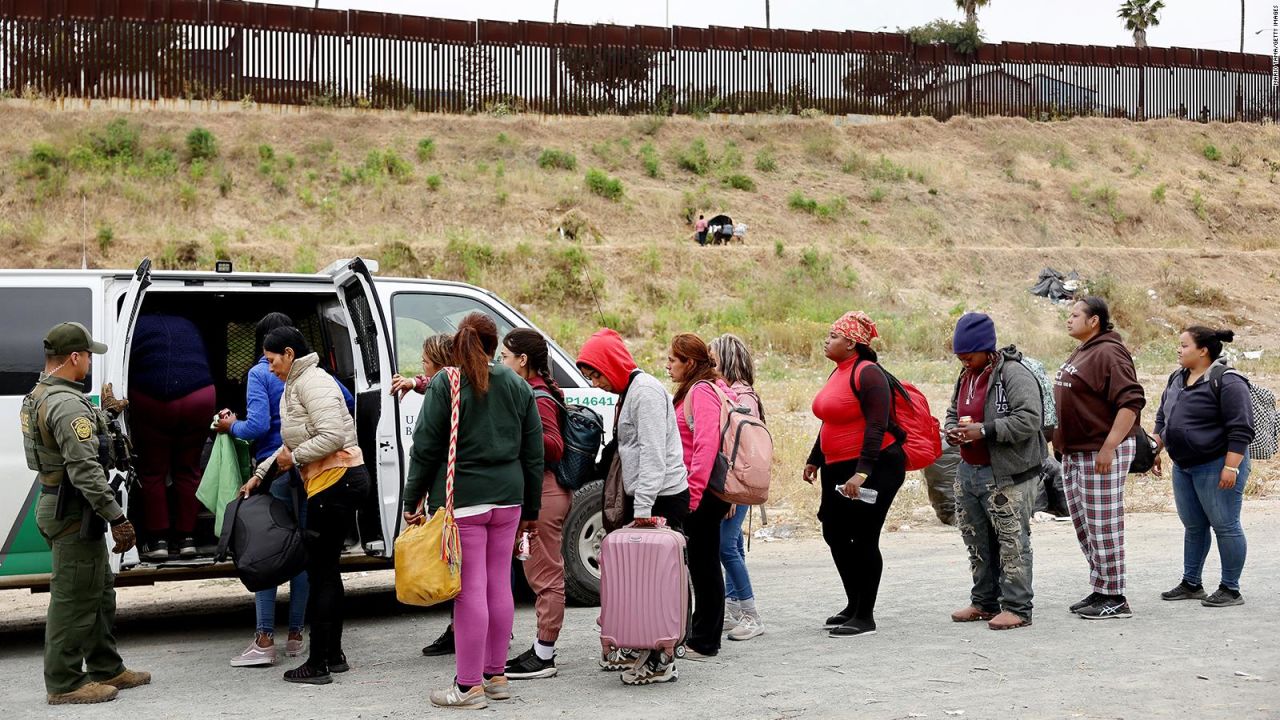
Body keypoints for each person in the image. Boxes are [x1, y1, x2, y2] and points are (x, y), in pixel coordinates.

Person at [402, 313, 544, 710]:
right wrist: (531, 508)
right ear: (493, 343)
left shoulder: (445, 384)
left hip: (462, 502)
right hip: (509, 500)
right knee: (500, 585)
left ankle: (467, 687)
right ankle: (495, 676)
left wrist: (412, 499)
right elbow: (533, 454)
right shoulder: (517, 385)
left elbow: (426, 449)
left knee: (469, 591)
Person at [24, 322, 149, 705]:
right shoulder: (64, 404)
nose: (91, 362)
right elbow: (84, 469)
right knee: (73, 598)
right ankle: (64, 683)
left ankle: (106, 667)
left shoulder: (46, 393)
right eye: (88, 355)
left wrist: (106, 416)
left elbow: (78, 444)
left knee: (97, 593)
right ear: (75, 357)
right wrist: (117, 516)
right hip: (73, 509)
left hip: (72, 506)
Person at [240, 327, 369, 685]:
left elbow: (333, 437)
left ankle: (318, 664)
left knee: (320, 574)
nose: (269, 369)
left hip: (336, 482)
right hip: (332, 481)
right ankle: (333, 655)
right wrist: (261, 474)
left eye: (271, 360)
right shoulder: (297, 384)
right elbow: (290, 446)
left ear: (289, 354)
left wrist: (293, 458)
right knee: (327, 572)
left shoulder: (314, 383)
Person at [576, 328, 689, 686]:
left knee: (659, 583)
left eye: (596, 373)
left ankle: (662, 657)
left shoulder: (647, 394)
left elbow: (654, 455)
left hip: (661, 497)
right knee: (643, 580)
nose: (596, 383)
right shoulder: (630, 392)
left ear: (613, 364)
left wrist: (642, 510)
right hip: (647, 496)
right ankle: (641, 644)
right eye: (590, 377)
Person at [213, 313, 317, 667]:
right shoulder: (312, 375)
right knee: (300, 549)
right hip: (308, 470)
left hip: (274, 473)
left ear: (264, 346)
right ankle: (296, 636)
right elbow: (346, 401)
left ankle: (264, 638)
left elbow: (256, 426)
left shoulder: (260, 374)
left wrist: (230, 425)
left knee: (267, 551)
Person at [802, 312, 906, 639]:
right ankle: (852, 604)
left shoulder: (869, 373)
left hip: (875, 468)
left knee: (863, 536)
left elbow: (876, 425)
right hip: (837, 467)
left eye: (833, 335)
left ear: (851, 343)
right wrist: (814, 459)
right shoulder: (839, 372)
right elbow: (830, 420)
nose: (827, 339)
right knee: (834, 532)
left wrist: (863, 473)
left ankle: (865, 616)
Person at [943, 313, 1044, 631]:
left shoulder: (1014, 374)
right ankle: (984, 602)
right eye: (959, 356)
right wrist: (951, 430)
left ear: (986, 349)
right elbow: (952, 411)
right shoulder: (966, 375)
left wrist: (984, 431)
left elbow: (1030, 419)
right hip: (970, 470)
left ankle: (1017, 607)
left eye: (968, 355)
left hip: (1007, 474)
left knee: (1012, 540)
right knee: (977, 540)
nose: (963, 360)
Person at [1053, 296, 1146, 620]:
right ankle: (1101, 588)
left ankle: (1115, 597)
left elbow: (1131, 402)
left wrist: (1109, 447)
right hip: (1077, 452)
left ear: (1094, 320)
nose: (1069, 319)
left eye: (1075, 314)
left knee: (1103, 526)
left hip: (1101, 451)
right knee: (1085, 526)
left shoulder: (1109, 352)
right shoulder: (1085, 349)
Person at [1153, 327, 1254, 607]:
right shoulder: (1177, 378)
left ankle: (1230, 589)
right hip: (1184, 466)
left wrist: (1231, 467)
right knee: (1194, 526)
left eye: (1184, 345)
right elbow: (1163, 417)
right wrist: (1155, 449)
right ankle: (1191, 583)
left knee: (1225, 525)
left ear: (1203, 351)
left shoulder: (1228, 381)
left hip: (1217, 464)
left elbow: (1242, 428)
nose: (1178, 350)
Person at [500, 329, 568, 680]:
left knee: (545, 576)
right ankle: (541, 649)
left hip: (545, 496)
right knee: (537, 573)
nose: (501, 363)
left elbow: (553, 446)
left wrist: (515, 434)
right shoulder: (535, 390)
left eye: (505, 357)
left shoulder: (538, 396)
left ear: (522, 360)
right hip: (540, 494)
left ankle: (545, 655)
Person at [387, 333, 460, 658]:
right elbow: (430, 381)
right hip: (467, 490)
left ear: (440, 364)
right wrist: (414, 382)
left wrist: (410, 501)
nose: (423, 367)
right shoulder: (462, 381)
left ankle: (461, 629)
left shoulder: (441, 390)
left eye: (426, 362)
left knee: (456, 563)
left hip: (447, 493)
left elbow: (425, 449)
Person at [127, 313, 216, 560]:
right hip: (200, 394)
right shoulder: (188, 324)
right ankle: (188, 539)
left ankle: (158, 541)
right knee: (188, 470)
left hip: (152, 397)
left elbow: (126, 366)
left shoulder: (135, 325)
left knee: (153, 471)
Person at [667, 333, 735, 659]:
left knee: (705, 566)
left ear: (689, 363)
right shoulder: (706, 387)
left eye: (673, 360)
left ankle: (707, 641)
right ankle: (700, 631)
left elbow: (706, 446)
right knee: (701, 564)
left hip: (703, 492)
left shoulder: (702, 391)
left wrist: (693, 495)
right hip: (701, 490)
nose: (667, 365)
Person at [708, 333, 765, 641]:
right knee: (732, 546)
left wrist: (732, 494)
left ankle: (751, 615)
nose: (709, 364)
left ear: (727, 361)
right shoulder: (734, 394)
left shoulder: (742, 400)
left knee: (725, 546)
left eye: (713, 359)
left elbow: (740, 450)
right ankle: (733, 608)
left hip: (735, 485)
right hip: (731, 484)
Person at [391, 333, 454, 401]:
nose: (422, 364)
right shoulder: (454, 383)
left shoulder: (451, 394)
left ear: (442, 366)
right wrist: (414, 382)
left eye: (425, 361)